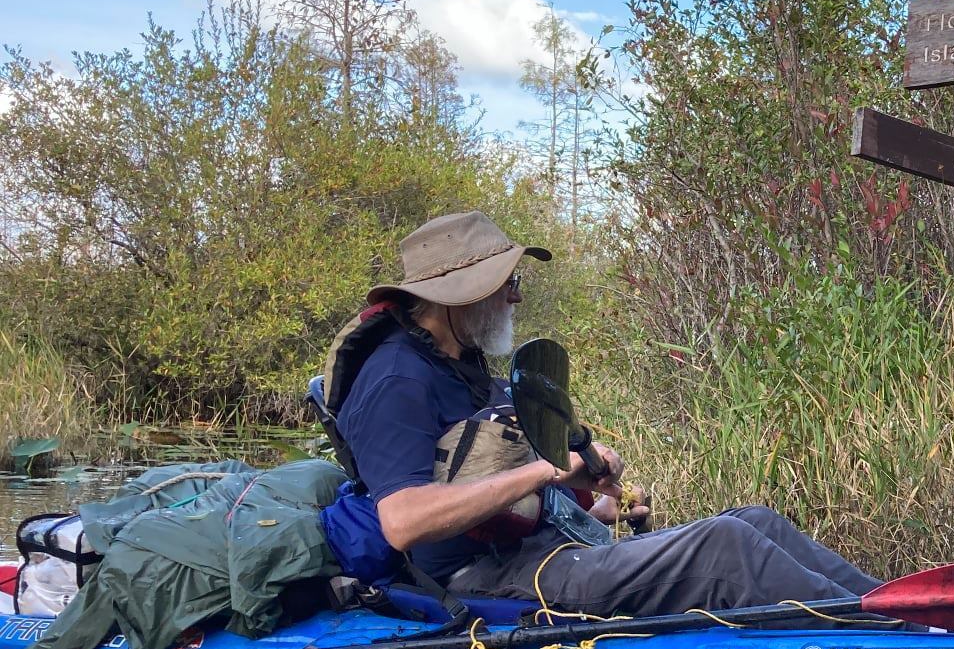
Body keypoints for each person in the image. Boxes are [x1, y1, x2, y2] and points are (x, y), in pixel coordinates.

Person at [332, 211, 880, 615]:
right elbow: (404, 522)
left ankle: (903, 611)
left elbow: (498, 488)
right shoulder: (396, 379)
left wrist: (592, 506)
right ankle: (890, 644)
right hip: (482, 579)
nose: (516, 299)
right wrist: (544, 469)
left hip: (538, 552)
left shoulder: (463, 363)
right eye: (509, 284)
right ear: (461, 295)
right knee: (725, 547)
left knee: (751, 520)